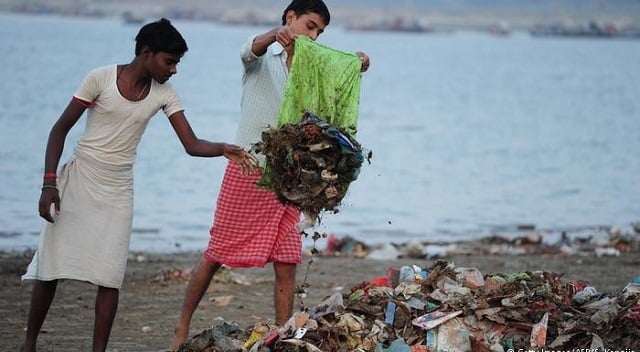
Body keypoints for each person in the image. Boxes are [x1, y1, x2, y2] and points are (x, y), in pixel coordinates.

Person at [20, 18, 254, 352]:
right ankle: (28, 344)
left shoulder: (164, 94)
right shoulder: (100, 78)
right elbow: (59, 129)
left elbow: (191, 144)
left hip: (118, 190)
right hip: (80, 179)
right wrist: (48, 184)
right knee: (50, 266)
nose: (173, 70)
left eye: (176, 63)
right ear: (146, 53)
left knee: (110, 276)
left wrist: (223, 149)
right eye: (169, 61)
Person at [169, 1, 370, 350]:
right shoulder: (262, 60)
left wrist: (358, 62)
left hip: (291, 177)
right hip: (249, 167)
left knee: (288, 259)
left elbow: (341, 77)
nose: (314, 35)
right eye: (310, 26)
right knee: (216, 252)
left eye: (319, 32)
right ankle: (181, 330)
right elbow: (250, 49)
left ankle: (284, 335)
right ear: (290, 18)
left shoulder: (314, 66)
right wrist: (273, 37)